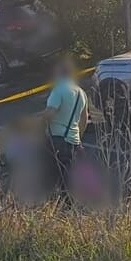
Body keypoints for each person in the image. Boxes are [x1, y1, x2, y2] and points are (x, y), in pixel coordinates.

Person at [39, 56, 88, 196]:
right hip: (74, 142)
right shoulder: (81, 93)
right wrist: (77, 138)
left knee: (52, 179)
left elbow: (49, 114)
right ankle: (71, 210)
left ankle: (54, 209)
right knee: (70, 181)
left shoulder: (59, 90)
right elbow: (83, 119)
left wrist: (40, 130)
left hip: (57, 141)